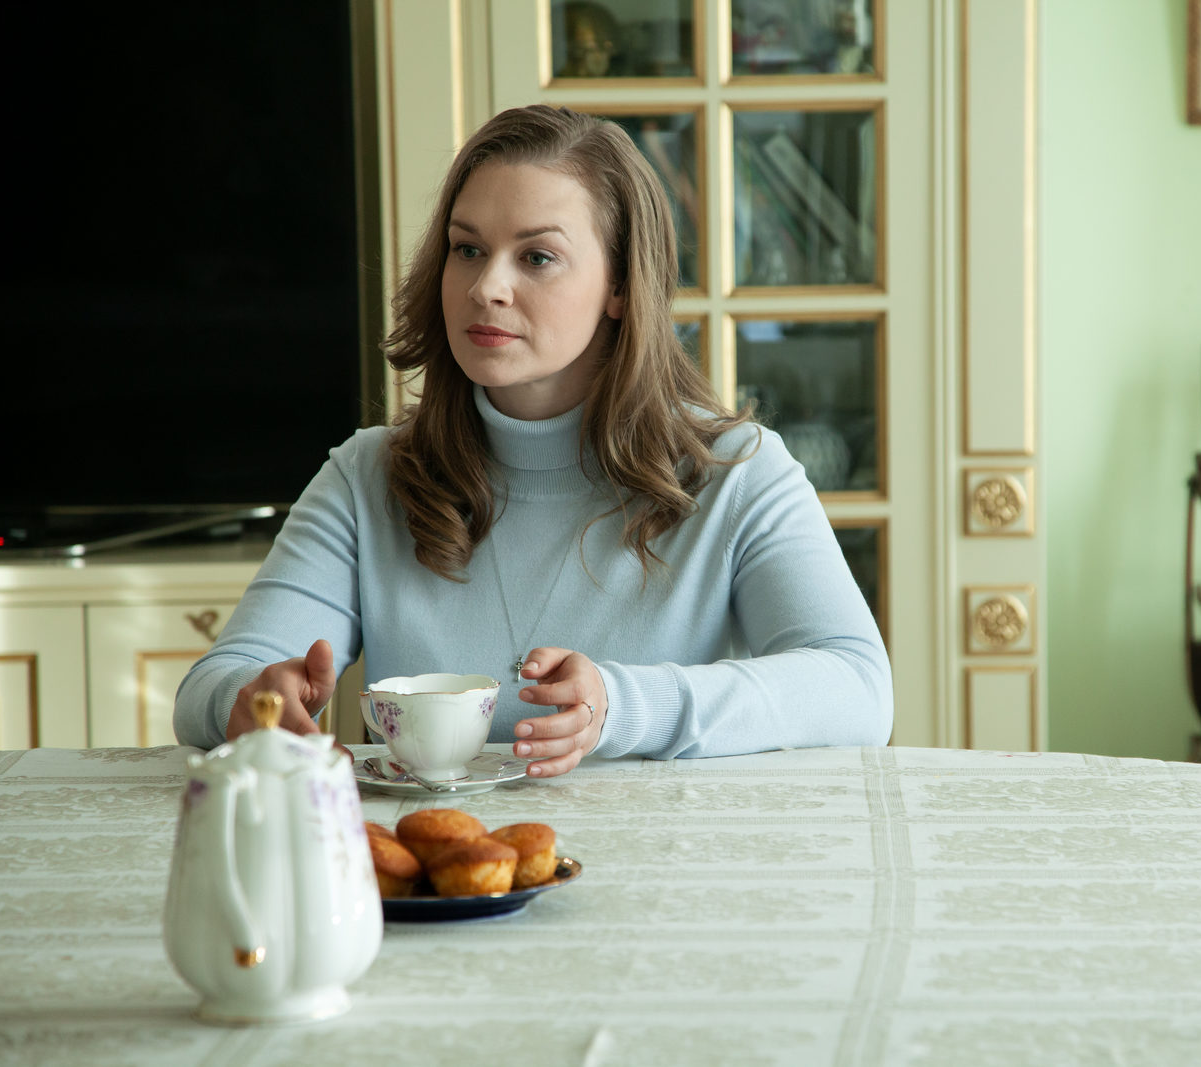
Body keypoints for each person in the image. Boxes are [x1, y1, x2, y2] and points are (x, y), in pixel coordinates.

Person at [173, 104, 892, 777]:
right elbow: (210, 684)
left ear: (620, 285)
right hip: (432, 870)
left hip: (662, 863)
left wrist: (623, 704)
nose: (486, 286)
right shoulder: (367, 476)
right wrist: (248, 697)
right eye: (467, 248)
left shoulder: (736, 473)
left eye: (537, 257)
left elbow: (859, 687)